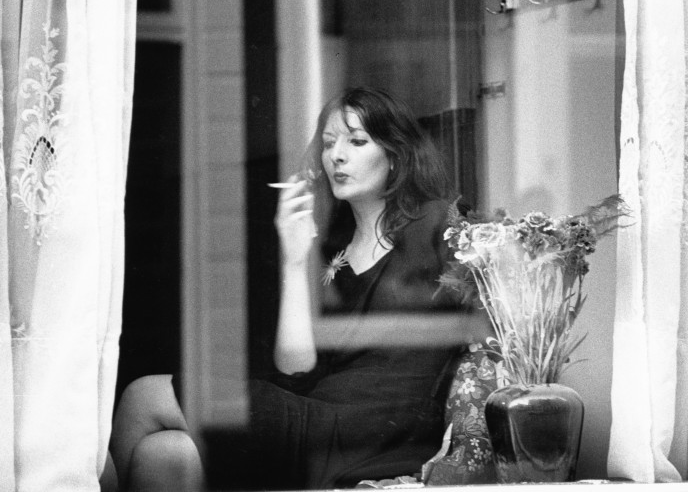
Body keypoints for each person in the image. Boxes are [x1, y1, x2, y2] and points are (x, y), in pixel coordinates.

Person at [109, 86, 466, 491]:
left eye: (357, 141)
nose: (337, 156)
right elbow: (296, 365)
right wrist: (295, 258)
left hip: (372, 432)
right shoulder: (334, 250)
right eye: (329, 144)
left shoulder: (435, 223)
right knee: (166, 454)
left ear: (396, 154)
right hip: (319, 416)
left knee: (144, 395)